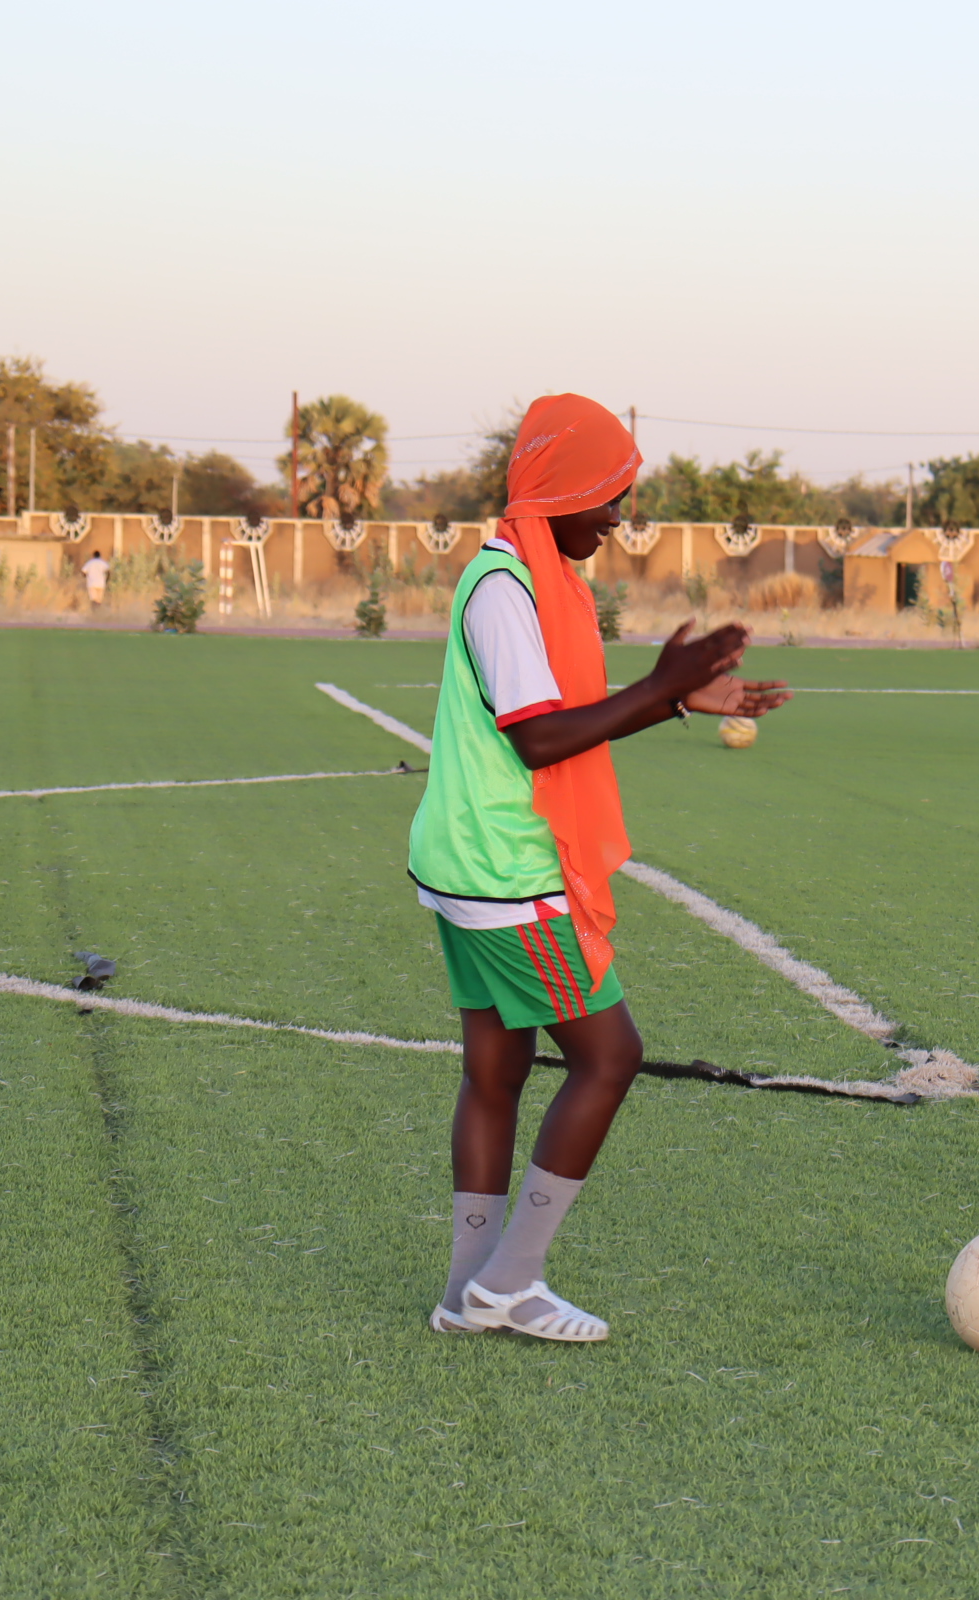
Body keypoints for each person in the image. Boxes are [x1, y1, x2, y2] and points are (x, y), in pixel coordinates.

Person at [411, 393, 790, 1342]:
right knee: (609, 1056)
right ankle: (513, 1282)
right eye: (608, 497)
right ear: (560, 493)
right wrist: (658, 689)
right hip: (507, 870)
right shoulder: (507, 588)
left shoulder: (533, 578)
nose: (619, 518)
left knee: (496, 1068)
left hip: (468, 860)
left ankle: (469, 1290)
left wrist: (670, 702)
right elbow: (541, 741)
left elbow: (558, 719)